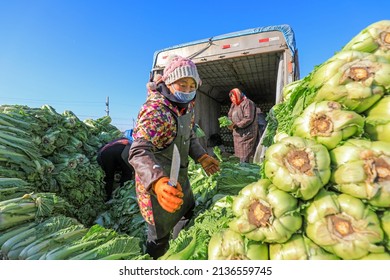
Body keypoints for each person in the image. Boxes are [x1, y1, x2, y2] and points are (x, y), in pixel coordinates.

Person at [128, 55, 220, 259]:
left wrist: (202, 156)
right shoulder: (156, 111)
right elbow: (138, 151)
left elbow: (189, 135)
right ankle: (156, 260)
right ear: (169, 83)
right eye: (182, 84)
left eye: (192, 85)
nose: (187, 90)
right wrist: (157, 182)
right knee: (158, 235)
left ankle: (178, 250)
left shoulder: (187, 108)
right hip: (157, 188)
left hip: (181, 179)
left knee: (186, 213)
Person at [227, 88, 259, 163]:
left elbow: (248, 118)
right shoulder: (233, 105)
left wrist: (236, 125)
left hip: (247, 134)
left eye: (233, 97)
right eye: (231, 98)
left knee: (245, 154)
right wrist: (229, 123)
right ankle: (242, 167)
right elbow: (229, 115)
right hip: (237, 134)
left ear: (238, 95)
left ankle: (246, 168)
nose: (232, 99)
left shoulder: (247, 103)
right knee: (239, 155)